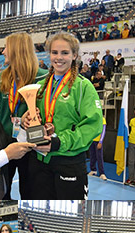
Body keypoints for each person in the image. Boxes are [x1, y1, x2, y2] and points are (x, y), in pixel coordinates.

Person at [18, 33, 102, 199]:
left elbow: (92, 126)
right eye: (54, 52)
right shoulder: (40, 86)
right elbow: (31, 117)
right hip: (38, 162)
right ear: (49, 54)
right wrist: (25, 119)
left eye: (65, 53)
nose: (59, 57)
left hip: (68, 163)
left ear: (74, 55)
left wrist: (58, 142)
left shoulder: (83, 87)